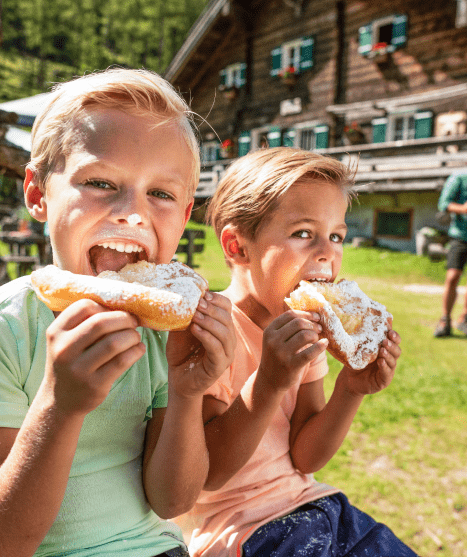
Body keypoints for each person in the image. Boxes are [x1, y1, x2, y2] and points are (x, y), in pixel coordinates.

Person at [0, 68, 236, 557]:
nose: (133, 211)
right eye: (101, 181)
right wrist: (61, 407)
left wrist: (188, 391)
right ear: (38, 194)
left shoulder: (164, 335)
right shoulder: (10, 326)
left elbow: (173, 501)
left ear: (187, 212)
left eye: (161, 194)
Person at [175, 147, 417, 557]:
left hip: (317, 506)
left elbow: (306, 459)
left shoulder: (307, 331)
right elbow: (210, 474)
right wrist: (268, 383)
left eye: (336, 235)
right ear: (237, 247)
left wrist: (351, 389)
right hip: (243, 530)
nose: (327, 251)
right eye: (304, 233)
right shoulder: (211, 329)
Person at [433, 170, 467, 337]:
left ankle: (464, 319)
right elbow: (443, 203)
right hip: (460, 236)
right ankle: (445, 320)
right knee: (452, 277)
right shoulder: (459, 177)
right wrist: (463, 208)